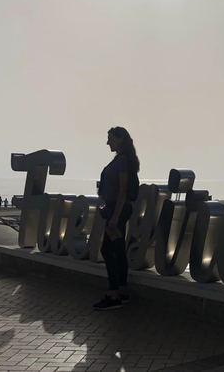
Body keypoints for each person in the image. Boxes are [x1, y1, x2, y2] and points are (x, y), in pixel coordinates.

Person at [93, 126, 140, 310]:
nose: (107, 142)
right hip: (116, 209)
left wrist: (115, 217)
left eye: (110, 138)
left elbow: (123, 190)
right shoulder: (122, 159)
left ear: (120, 139)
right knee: (118, 250)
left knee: (107, 249)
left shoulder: (122, 161)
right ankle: (122, 291)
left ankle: (113, 295)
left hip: (118, 210)